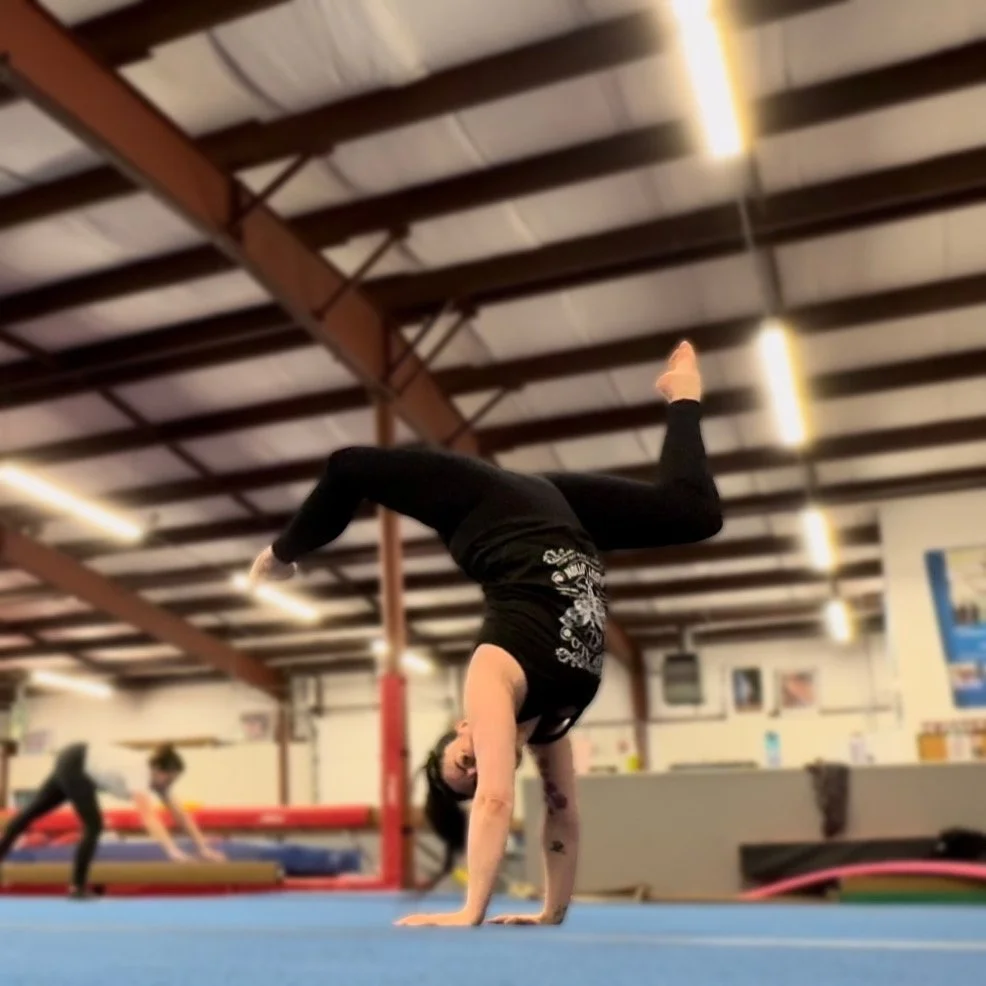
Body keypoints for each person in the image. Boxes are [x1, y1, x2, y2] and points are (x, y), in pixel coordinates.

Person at [249, 341, 722, 927]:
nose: (475, 768)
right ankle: (683, 394)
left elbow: (497, 799)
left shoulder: (491, 676)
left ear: (462, 728)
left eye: (460, 762)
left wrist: (470, 910)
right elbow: (563, 815)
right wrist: (550, 912)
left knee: (350, 466)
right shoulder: (550, 722)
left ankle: (280, 555)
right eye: (473, 775)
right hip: (558, 512)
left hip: (483, 505)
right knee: (695, 514)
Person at [0, 741, 225, 898]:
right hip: (77, 763)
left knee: (29, 814)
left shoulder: (157, 780)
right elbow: (148, 816)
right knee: (94, 825)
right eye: (168, 779)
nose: (169, 784)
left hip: (75, 759)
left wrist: (203, 848)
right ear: (157, 770)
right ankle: (77, 887)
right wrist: (172, 851)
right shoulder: (139, 772)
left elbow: (181, 815)